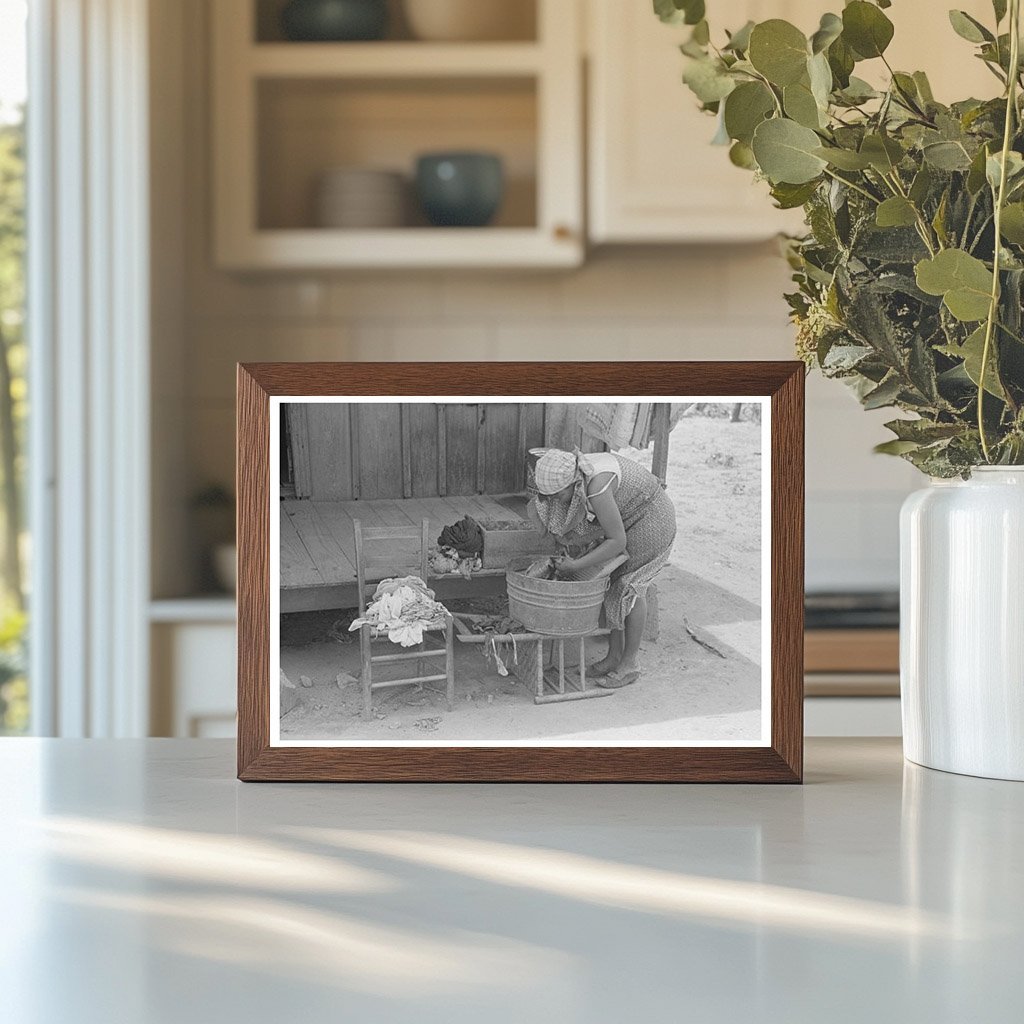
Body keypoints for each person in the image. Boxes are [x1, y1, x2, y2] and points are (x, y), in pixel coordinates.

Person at [528, 448, 677, 688]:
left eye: (557, 495)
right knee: (612, 583)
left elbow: (617, 542)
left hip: (652, 519)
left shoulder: (597, 487)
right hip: (629, 517)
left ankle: (629, 664)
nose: (554, 501)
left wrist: (576, 565)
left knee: (629, 588)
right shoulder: (578, 471)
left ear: (574, 483)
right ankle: (614, 657)